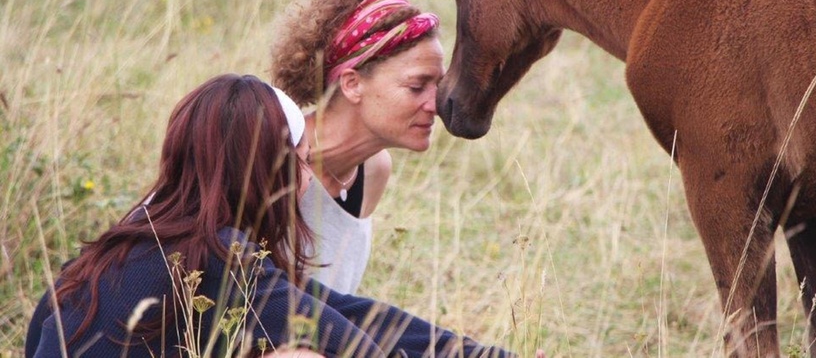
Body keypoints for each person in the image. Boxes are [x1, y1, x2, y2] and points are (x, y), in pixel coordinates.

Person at [24, 74, 513, 358]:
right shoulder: (221, 252)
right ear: (271, 167)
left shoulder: (131, 239)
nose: (307, 174)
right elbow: (353, 344)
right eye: (302, 158)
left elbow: (347, 310)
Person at [271, 0, 443, 294]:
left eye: (438, 88)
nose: (436, 106)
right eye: (417, 87)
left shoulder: (373, 170)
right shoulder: (274, 157)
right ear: (352, 84)